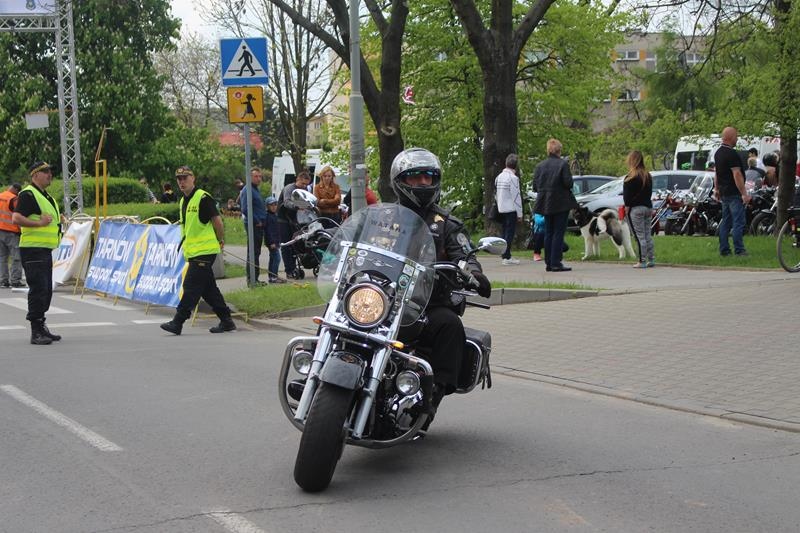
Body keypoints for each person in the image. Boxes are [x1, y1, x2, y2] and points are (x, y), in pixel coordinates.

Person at [390, 147, 492, 428]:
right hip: (384, 299)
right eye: (415, 177)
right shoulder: (383, 218)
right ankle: (318, 370)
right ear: (400, 181)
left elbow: (464, 254)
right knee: (341, 310)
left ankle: (431, 395)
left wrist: (473, 273)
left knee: (450, 324)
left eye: (428, 177)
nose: (423, 183)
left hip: (426, 305)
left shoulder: (446, 224)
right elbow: (354, 239)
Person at [160, 166, 236, 335]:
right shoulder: (183, 200)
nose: (182, 182)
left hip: (204, 251)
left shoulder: (203, 197)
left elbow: (217, 222)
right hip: (194, 252)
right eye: (179, 179)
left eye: (185, 178)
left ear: (193, 178)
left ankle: (178, 322)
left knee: (190, 286)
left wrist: (220, 240)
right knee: (209, 290)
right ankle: (227, 321)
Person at [11, 162, 63, 345]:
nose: (50, 174)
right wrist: (39, 224)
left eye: (50, 171)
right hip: (33, 249)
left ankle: (41, 325)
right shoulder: (28, 194)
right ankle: (36, 331)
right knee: (38, 289)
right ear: (35, 175)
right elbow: (16, 218)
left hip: (43, 250)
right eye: (45, 171)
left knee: (46, 289)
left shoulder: (45, 196)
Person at [533, 138, 577, 272]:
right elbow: (568, 183)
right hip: (560, 202)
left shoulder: (540, 166)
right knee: (558, 232)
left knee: (548, 232)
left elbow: (535, 186)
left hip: (545, 202)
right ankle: (556, 262)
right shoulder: (563, 164)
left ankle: (548, 262)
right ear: (559, 150)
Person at [713, 127, 750, 257]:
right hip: (734, 193)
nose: (737, 139)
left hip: (724, 192)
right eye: (736, 136)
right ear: (731, 137)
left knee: (726, 222)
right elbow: (737, 174)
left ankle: (724, 249)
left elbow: (717, 173)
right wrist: (744, 193)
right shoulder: (731, 154)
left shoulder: (718, 153)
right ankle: (739, 249)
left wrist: (717, 189)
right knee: (738, 222)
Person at [277, 170, 312, 278]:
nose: (304, 186)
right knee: (286, 245)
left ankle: (295, 267)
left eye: (306, 184)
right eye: (303, 183)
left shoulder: (304, 190)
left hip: (294, 220)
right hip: (283, 219)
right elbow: (287, 202)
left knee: (296, 244)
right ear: (297, 180)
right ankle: (289, 270)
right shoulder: (289, 188)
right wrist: (297, 206)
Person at [623, 150, 655, 268]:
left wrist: (626, 209)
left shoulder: (630, 177)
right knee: (647, 235)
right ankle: (651, 259)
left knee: (639, 236)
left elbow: (627, 198)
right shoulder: (647, 176)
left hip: (635, 209)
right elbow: (649, 193)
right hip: (648, 207)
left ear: (631, 161)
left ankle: (642, 261)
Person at [239, 167, 267, 285]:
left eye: (260, 176)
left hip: (259, 225)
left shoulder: (255, 190)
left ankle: (255, 279)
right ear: (249, 177)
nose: (258, 179)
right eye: (256, 176)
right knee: (253, 252)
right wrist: (257, 221)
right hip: (254, 225)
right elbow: (245, 209)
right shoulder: (247, 190)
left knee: (256, 252)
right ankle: (252, 280)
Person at [495, 154, 523, 265]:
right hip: (511, 209)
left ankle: (504, 254)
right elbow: (516, 197)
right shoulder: (513, 178)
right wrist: (520, 214)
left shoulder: (499, 177)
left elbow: (496, 194)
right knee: (509, 234)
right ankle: (507, 256)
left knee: (504, 233)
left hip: (501, 208)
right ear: (516, 165)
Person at [0, 183, 24, 288]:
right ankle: (15, 280)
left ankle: (3, 281)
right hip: (11, 232)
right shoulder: (14, 199)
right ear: (16, 190)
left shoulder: (0, 196)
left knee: (2, 257)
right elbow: (18, 215)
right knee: (16, 257)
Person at [264, 196, 284, 283]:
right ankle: (274, 277)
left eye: (275, 205)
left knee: (272, 258)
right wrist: (271, 242)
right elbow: (268, 231)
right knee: (277, 258)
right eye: (271, 205)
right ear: (267, 206)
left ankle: (271, 276)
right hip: (272, 242)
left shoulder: (274, 215)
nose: (274, 207)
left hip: (276, 241)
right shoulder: (268, 216)